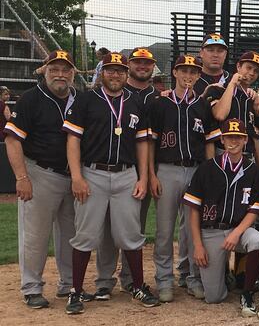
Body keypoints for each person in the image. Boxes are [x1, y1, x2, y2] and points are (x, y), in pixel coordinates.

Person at [62, 52, 159, 314]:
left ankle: (137, 285)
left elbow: (142, 142)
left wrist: (142, 177)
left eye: (119, 70)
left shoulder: (135, 102)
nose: (115, 75)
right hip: (92, 173)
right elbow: (72, 141)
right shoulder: (85, 100)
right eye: (110, 70)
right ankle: (76, 291)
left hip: (127, 174)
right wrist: (77, 176)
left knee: (130, 233)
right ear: (101, 72)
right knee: (85, 234)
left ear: (126, 74)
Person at [5, 51, 79, 309]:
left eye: (66, 69)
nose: (60, 74)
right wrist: (21, 177)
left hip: (73, 177)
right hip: (40, 173)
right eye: (55, 69)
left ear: (73, 73)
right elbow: (13, 140)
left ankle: (69, 284)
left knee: (71, 235)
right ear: (44, 70)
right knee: (36, 235)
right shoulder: (31, 98)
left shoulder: (79, 98)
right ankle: (32, 287)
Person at [147, 55, 220, 302]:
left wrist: (209, 174)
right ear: (175, 73)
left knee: (192, 229)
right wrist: (151, 174)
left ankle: (191, 277)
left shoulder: (202, 106)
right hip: (167, 169)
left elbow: (210, 143)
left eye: (193, 72)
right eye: (184, 71)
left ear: (199, 76)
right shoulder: (161, 104)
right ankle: (164, 279)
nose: (188, 76)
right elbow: (149, 143)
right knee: (165, 230)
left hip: (197, 170)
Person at [95, 46, 161, 299]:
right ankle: (104, 279)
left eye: (147, 63)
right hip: (121, 169)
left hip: (149, 170)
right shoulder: (116, 92)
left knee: (135, 227)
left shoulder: (159, 96)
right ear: (129, 66)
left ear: (153, 66)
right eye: (137, 63)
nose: (142, 67)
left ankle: (131, 279)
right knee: (109, 228)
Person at [182, 118, 259, 313]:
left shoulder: (253, 170)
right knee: (214, 297)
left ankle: (247, 294)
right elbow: (194, 210)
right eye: (229, 137)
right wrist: (198, 245)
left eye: (238, 137)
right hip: (212, 232)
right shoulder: (207, 168)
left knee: (256, 240)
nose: (233, 141)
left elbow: (254, 209)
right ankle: (224, 274)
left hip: (240, 230)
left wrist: (237, 233)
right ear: (222, 139)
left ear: (245, 140)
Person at [204, 51, 259, 157]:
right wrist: (232, 83)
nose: (252, 73)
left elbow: (255, 138)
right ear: (238, 66)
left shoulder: (252, 98)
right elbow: (220, 115)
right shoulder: (217, 89)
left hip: (248, 156)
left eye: (256, 71)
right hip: (223, 154)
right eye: (249, 67)